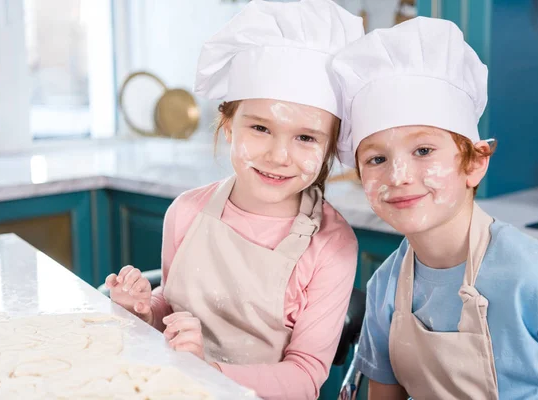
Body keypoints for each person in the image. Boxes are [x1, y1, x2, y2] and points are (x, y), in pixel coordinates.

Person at [104, 1, 364, 399]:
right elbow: (170, 308)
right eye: (260, 127)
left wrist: (209, 371)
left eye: (306, 137)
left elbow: (307, 376)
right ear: (228, 125)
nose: (279, 155)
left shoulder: (332, 247)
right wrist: (143, 309)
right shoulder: (186, 212)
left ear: (329, 147)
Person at [332, 16, 538, 400]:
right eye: (376, 159)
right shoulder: (385, 286)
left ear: (474, 162)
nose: (399, 175)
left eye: (423, 150)